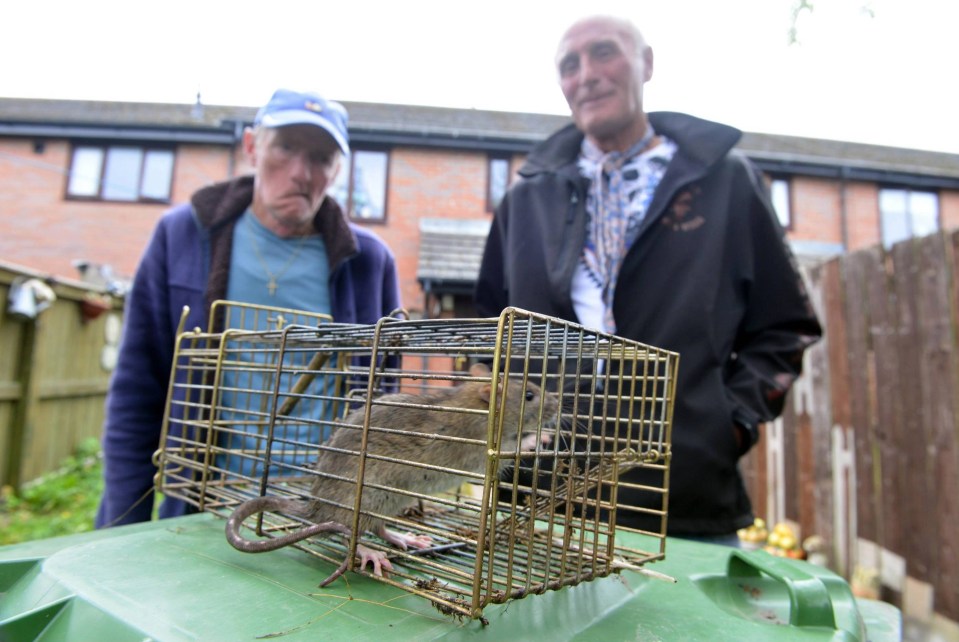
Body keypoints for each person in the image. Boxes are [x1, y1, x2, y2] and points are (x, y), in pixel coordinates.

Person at [475, 15, 822, 544]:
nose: (586, 74)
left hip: (682, 506)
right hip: (536, 503)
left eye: (604, 53)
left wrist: (726, 426)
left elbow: (784, 328)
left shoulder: (726, 181)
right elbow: (488, 332)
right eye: (570, 64)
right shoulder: (525, 199)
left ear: (647, 63)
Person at [96, 89, 401, 528]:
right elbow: (138, 390)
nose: (300, 172)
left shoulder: (369, 262)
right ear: (252, 147)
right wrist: (122, 525)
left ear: (337, 170)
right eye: (286, 147)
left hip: (324, 518)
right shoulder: (184, 236)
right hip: (202, 510)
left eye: (320, 157)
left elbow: (386, 409)